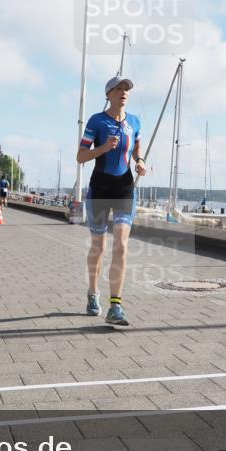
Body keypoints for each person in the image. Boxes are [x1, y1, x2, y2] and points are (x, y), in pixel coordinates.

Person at [76, 77, 146, 327]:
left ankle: (115, 304)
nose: (124, 92)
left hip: (124, 187)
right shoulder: (97, 120)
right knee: (99, 246)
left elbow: (137, 148)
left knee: (122, 245)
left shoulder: (135, 121)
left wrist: (139, 162)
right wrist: (104, 148)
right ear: (109, 94)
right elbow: (80, 156)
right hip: (100, 187)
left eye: (127, 89)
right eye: (119, 89)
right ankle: (93, 293)